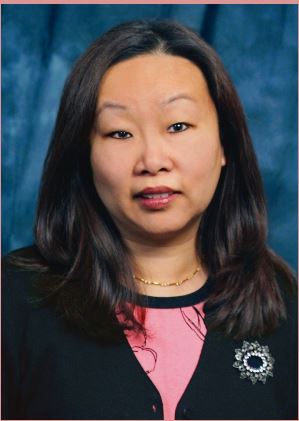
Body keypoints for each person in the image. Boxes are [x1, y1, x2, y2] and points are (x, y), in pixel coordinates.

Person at [2, 19, 297, 421]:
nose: (153, 161)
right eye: (120, 133)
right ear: (83, 154)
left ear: (225, 144)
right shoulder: (14, 300)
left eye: (178, 126)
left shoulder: (285, 305)